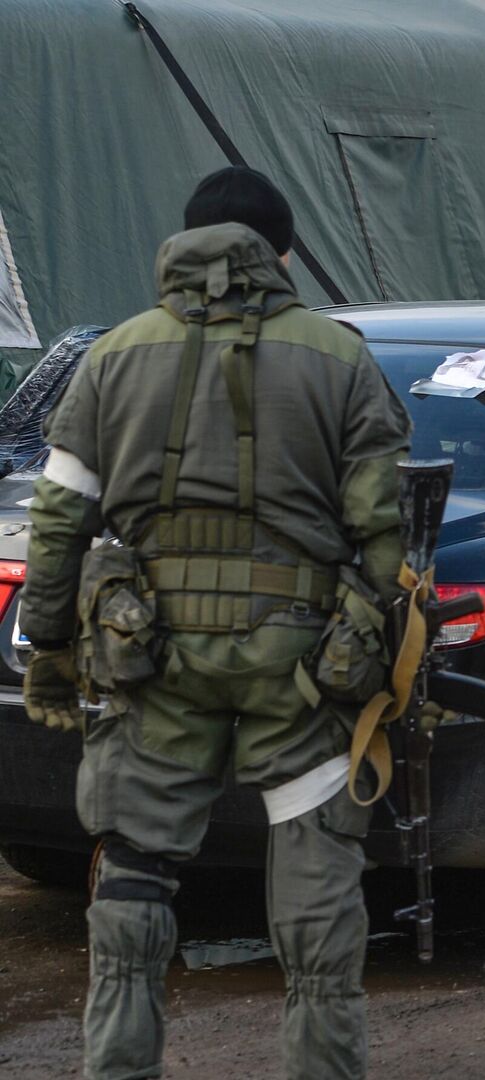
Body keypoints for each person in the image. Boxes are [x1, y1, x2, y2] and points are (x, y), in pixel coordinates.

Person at [20, 167, 412, 1079]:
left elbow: (59, 518)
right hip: (301, 662)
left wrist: (47, 644)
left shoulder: (112, 355)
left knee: (132, 882)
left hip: (147, 658)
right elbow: (384, 532)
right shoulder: (339, 356)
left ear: (183, 244)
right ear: (281, 253)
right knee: (318, 895)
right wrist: (376, 650)